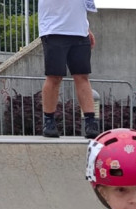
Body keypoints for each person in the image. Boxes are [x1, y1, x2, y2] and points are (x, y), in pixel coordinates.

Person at [37, 0, 100, 139]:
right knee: (54, 76)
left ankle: (91, 122)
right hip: (54, 29)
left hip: (79, 31)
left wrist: (86, 28)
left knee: (82, 76)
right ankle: (49, 121)